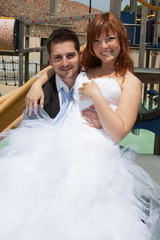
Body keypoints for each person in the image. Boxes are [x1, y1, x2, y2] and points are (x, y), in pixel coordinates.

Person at [0, 12, 160, 240]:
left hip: (94, 149)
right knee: (34, 198)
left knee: (81, 210)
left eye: (110, 39)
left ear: (122, 40)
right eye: (96, 41)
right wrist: (37, 82)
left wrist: (99, 99)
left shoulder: (130, 82)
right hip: (63, 137)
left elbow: (118, 132)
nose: (104, 46)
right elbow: (58, 65)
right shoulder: (87, 68)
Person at [25, 28, 100, 128]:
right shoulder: (38, 98)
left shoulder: (96, 84)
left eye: (70, 56)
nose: (65, 63)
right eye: (58, 57)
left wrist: (104, 122)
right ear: (50, 61)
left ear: (80, 56)